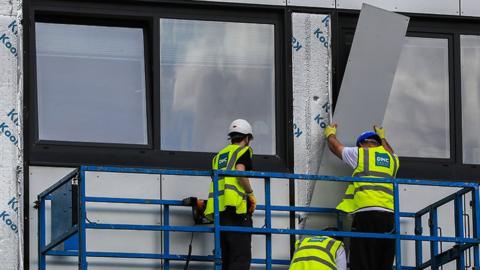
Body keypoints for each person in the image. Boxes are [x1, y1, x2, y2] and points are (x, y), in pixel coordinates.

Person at [324, 124, 399, 270]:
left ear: (361, 144)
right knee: (384, 259)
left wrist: (330, 134)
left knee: (362, 258)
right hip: (389, 216)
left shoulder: (361, 154)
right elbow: (390, 151)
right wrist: (383, 137)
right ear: (378, 144)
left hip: (367, 214)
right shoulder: (393, 159)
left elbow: (336, 148)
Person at [204, 119, 256, 270]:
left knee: (224, 257)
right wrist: (250, 192)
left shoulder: (219, 156)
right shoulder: (243, 151)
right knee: (240, 256)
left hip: (220, 212)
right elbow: (240, 172)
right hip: (236, 210)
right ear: (247, 138)